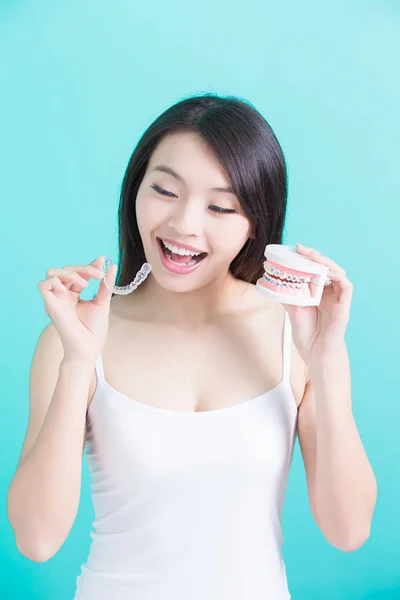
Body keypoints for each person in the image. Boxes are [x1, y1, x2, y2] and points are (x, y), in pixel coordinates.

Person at [7, 93, 377, 600]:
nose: (184, 224)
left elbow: (348, 530)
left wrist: (327, 364)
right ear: (135, 189)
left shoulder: (300, 336)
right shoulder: (77, 335)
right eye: (164, 190)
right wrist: (77, 361)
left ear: (256, 222)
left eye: (220, 206)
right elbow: (36, 540)